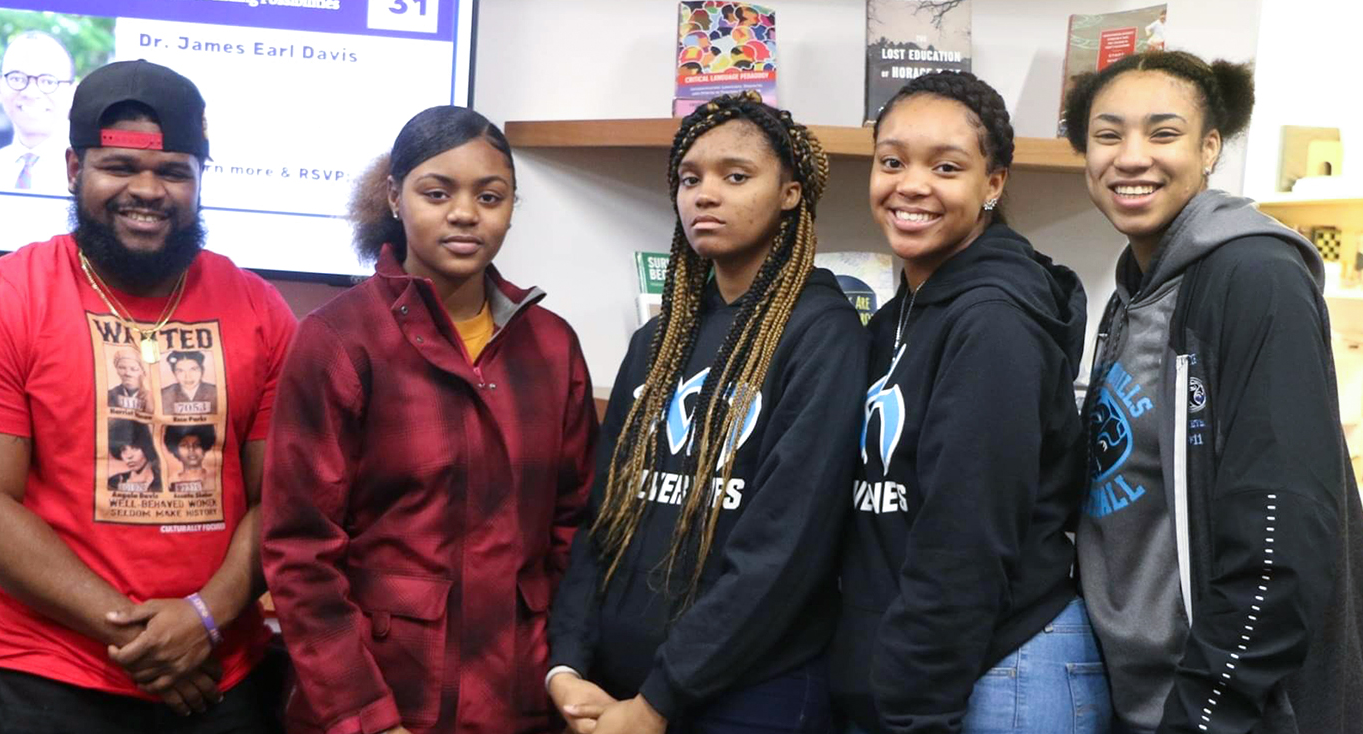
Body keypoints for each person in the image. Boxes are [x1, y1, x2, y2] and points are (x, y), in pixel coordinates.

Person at [0, 59, 296, 732]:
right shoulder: (5, 297)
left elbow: (285, 500)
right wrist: (144, 637)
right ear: (73, 168)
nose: (147, 190)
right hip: (42, 671)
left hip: (219, 671)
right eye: (119, 168)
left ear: (202, 179)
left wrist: (204, 618)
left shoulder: (262, 311)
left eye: (174, 172)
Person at [260, 105, 598, 734]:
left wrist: (562, 670)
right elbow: (300, 550)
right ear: (395, 196)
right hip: (382, 696)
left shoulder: (551, 346)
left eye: (490, 195)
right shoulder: (339, 339)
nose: (465, 213)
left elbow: (574, 530)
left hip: (518, 698)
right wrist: (364, 716)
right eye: (437, 192)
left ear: (512, 205)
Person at [547, 92, 867, 734]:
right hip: (614, 692)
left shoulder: (822, 334)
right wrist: (567, 666)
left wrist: (658, 701)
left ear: (791, 193)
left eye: (736, 176)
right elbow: (602, 519)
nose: (705, 194)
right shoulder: (658, 340)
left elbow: (783, 548)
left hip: (750, 699)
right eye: (690, 178)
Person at [1063, 49, 1363, 733]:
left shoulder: (1255, 278)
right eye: (1108, 135)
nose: (1131, 157)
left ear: (1209, 148)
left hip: (1224, 708)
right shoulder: (1138, 289)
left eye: (1163, 133)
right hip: (1140, 695)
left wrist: (1208, 708)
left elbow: (1284, 530)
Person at [831, 70, 1108, 734]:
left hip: (1006, 673)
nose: (911, 184)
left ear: (993, 184)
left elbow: (966, 535)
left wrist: (915, 710)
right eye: (891, 161)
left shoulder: (992, 322)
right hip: (956, 669)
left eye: (946, 166)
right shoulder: (905, 313)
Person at [0, 30, 75, 194]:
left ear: (72, 93)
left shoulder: (91, 174)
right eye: (17, 79)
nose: (31, 92)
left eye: (48, 81)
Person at [108, 419, 163, 493]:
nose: (129, 456)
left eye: (135, 448)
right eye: (123, 449)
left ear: (146, 447)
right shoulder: (113, 481)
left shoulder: (161, 483)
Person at [161, 349, 218, 416]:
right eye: (180, 371)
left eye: (193, 369)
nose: (188, 377)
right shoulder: (164, 395)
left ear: (202, 370)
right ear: (174, 374)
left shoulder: (215, 392)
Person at [108, 347, 155, 413]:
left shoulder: (152, 398)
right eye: (122, 368)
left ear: (143, 372)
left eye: (134, 369)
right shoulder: (109, 395)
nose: (127, 373)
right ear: (117, 370)